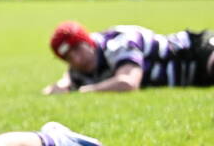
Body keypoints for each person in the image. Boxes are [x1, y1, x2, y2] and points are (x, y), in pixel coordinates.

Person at [44, 21, 213, 93]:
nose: (77, 60)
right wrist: (63, 84)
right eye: (69, 58)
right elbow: (60, 85)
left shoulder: (119, 42)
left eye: (78, 50)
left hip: (197, 52)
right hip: (194, 78)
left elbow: (128, 82)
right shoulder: (81, 68)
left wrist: (89, 91)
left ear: (88, 42)